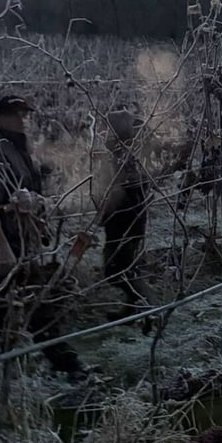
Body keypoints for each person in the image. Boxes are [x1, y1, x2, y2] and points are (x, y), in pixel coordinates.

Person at [0, 94, 86, 379]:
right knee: (27, 292)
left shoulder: (21, 151)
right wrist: (3, 248)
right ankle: (63, 361)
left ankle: (10, 354)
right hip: (3, 235)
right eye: (16, 114)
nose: (22, 119)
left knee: (14, 290)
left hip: (20, 233)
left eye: (25, 114)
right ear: (0, 119)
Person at [96, 110, 152, 320]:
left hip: (124, 223)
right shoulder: (127, 155)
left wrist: (105, 208)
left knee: (117, 269)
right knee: (127, 268)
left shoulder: (123, 159)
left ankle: (148, 308)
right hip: (127, 223)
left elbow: (119, 193)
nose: (103, 134)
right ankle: (136, 308)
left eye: (107, 130)